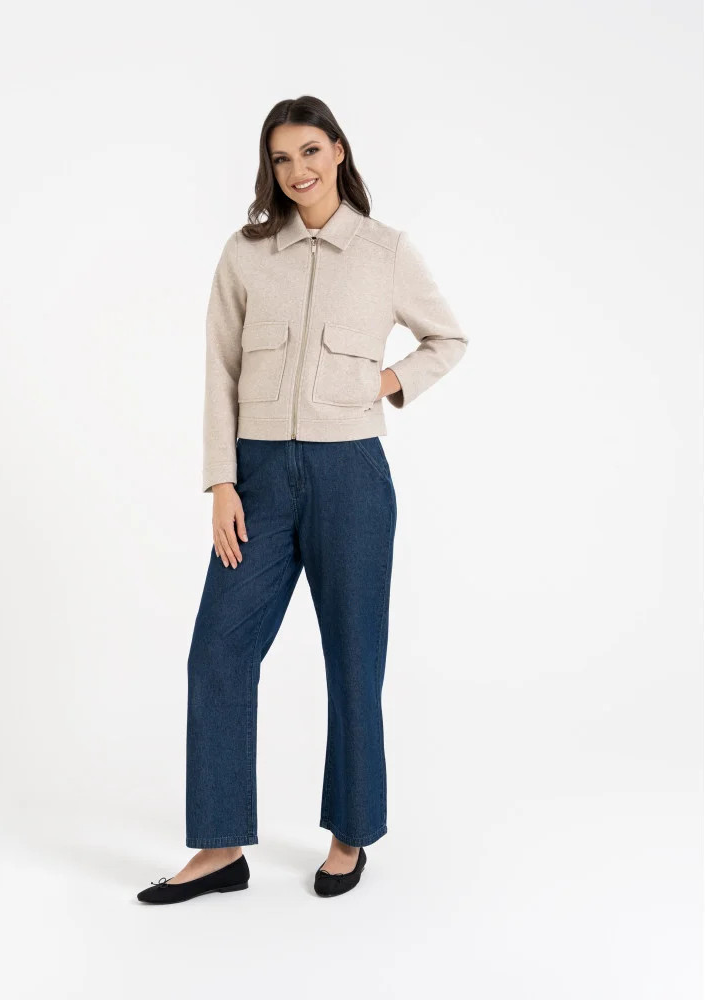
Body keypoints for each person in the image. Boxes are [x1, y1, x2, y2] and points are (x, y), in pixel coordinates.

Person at [137, 94, 468, 904]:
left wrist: (384, 383)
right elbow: (219, 368)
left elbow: (447, 339)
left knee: (354, 661)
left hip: (351, 476)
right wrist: (221, 481)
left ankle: (350, 834)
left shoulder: (385, 251)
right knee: (218, 652)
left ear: (339, 151)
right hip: (257, 480)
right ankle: (221, 848)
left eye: (311, 151)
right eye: (282, 158)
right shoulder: (248, 254)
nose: (298, 170)